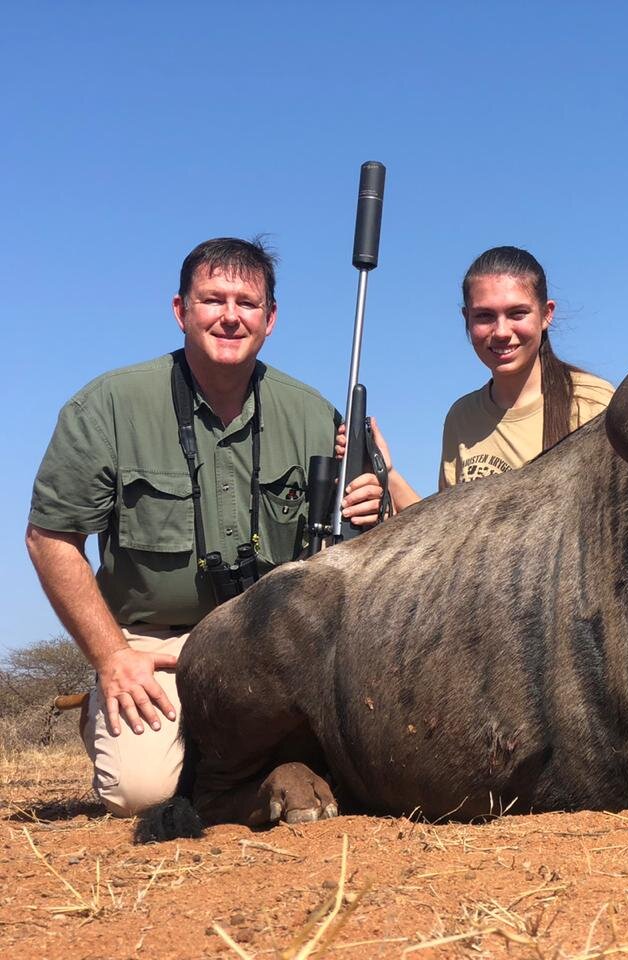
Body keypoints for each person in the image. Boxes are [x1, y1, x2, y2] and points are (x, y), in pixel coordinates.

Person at [25, 237, 384, 817]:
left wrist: (371, 503)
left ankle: (259, 775)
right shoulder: (107, 406)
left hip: (272, 643)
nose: (230, 316)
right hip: (156, 645)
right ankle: (121, 716)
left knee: (387, 754)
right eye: (213, 299)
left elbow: (351, 555)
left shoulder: (316, 415)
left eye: (247, 302)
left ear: (270, 318)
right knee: (141, 793)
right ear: (180, 310)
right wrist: (112, 656)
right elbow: (51, 540)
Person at [377, 245, 613, 506]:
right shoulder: (461, 417)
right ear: (466, 319)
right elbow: (452, 534)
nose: (501, 331)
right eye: (484, 316)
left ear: (546, 314)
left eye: (517, 313)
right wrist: (388, 475)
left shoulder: (594, 402)